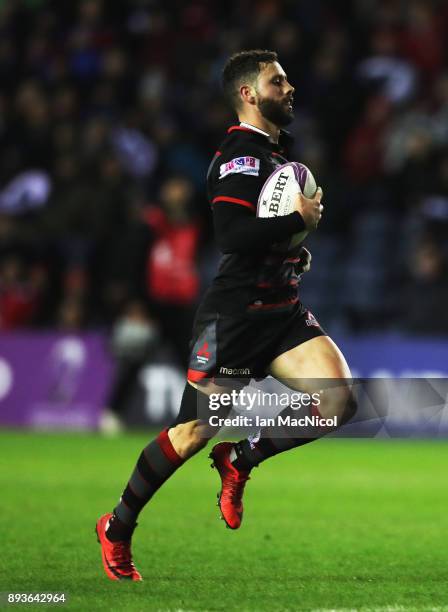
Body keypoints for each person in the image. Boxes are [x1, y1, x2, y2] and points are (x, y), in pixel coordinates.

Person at [95, 49, 356, 582]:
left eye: (287, 79)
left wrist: (293, 248)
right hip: (234, 319)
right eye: (276, 81)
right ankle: (117, 527)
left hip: (281, 312)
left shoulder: (279, 156)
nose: (289, 88)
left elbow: (262, 239)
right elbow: (232, 238)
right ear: (247, 93)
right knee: (192, 433)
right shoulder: (240, 155)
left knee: (337, 399)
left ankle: (242, 459)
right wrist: (294, 220)